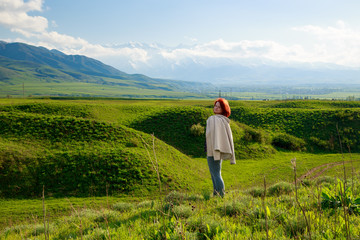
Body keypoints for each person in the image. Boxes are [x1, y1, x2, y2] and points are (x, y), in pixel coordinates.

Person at [205, 98, 236, 197]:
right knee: (215, 173)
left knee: (216, 174)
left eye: (219, 107)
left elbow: (213, 136)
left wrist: (214, 149)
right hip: (216, 149)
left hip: (213, 150)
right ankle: (216, 194)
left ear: (224, 109)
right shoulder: (224, 121)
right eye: (215, 106)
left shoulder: (213, 119)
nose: (216, 108)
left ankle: (221, 195)